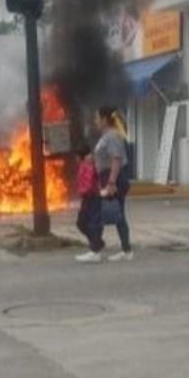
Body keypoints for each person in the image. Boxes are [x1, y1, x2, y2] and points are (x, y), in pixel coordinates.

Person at [76, 106, 133, 263]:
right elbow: (105, 158)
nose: (95, 121)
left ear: (104, 119)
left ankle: (96, 250)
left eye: (97, 118)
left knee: (99, 214)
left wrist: (111, 182)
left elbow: (116, 159)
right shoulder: (106, 136)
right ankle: (126, 250)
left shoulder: (112, 136)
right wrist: (91, 160)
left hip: (113, 178)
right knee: (118, 215)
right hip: (107, 178)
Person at [74, 142, 102, 257]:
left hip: (91, 197)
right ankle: (96, 244)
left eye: (76, 155)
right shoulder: (85, 163)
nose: (75, 158)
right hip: (89, 197)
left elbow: (88, 182)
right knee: (83, 222)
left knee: (88, 223)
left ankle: (95, 248)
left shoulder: (88, 164)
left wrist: (83, 191)